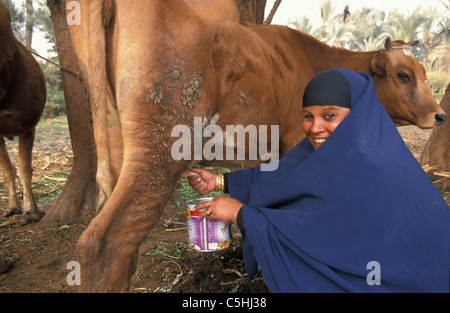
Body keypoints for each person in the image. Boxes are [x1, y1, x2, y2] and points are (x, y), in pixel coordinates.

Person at [185, 69, 449, 293]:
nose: (314, 127)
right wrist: (220, 181)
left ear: (358, 114)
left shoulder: (380, 171)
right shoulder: (336, 148)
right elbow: (285, 176)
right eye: (308, 116)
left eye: (329, 116)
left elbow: (322, 234)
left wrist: (241, 215)